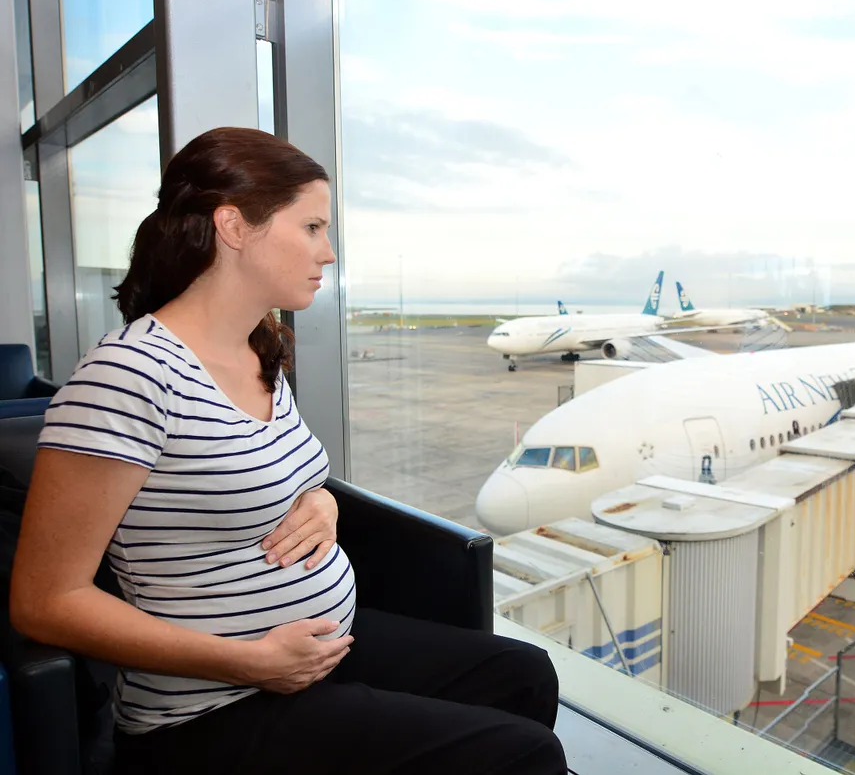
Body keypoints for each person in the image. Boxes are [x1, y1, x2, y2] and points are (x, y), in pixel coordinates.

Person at [9, 126, 568, 775]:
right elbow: (45, 601)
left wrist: (322, 505)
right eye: (311, 227)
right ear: (234, 226)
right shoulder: (129, 374)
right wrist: (252, 662)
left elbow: (272, 477)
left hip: (310, 653)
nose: (327, 253)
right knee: (526, 755)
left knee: (524, 675)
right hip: (209, 709)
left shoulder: (259, 349)